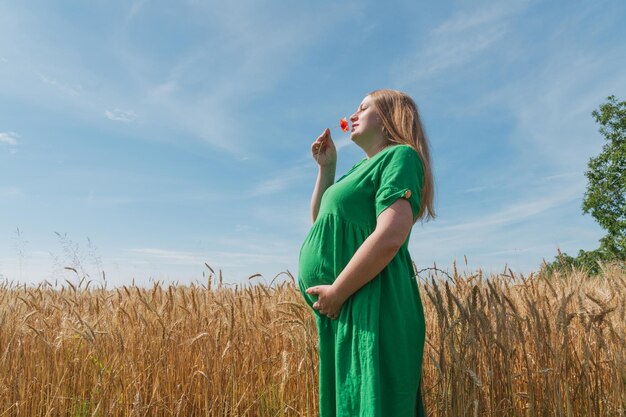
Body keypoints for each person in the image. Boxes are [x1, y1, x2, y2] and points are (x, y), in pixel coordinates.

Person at [298, 89, 436, 417]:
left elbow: (392, 233)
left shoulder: (401, 156)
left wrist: (338, 291)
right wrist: (326, 169)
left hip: (373, 301)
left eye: (364, 108)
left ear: (389, 118)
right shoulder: (357, 171)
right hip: (345, 306)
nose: (353, 115)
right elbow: (322, 223)